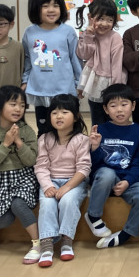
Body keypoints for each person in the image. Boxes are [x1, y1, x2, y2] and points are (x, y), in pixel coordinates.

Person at [0, 85, 40, 264]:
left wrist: (19, 142)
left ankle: (37, 244)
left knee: (19, 204)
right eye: (13, 104)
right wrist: (5, 144)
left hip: (24, 176)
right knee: (5, 218)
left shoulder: (26, 130)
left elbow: (31, 160)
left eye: (22, 105)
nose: (18, 109)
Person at [86, 84, 139, 249]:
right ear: (105, 109)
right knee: (106, 173)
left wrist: (128, 181)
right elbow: (93, 166)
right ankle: (93, 216)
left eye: (124, 104)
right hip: (105, 179)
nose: (119, 110)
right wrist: (94, 148)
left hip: (129, 180)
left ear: (133, 106)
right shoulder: (100, 130)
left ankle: (126, 234)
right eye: (113, 105)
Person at [34, 94, 90, 267]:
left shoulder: (82, 140)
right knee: (47, 204)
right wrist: (47, 186)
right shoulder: (44, 139)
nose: (59, 116)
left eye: (65, 112)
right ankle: (46, 245)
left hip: (74, 182)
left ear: (76, 117)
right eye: (54, 113)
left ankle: (66, 241)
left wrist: (67, 187)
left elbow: (84, 168)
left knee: (68, 201)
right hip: (50, 181)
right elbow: (41, 167)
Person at [21, 0, 83, 136]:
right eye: (45, 6)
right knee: (43, 130)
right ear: (35, 8)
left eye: (55, 5)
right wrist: (25, 80)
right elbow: (28, 59)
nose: (51, 10)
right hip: (40, 90)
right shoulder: (29, 32)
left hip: (64, 90)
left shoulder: (67, 31)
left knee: (68, 130)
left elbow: (75, 59)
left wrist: (79, 83)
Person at [75, 0, 127, 128]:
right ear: (90, 17)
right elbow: (83, 55)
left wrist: (115, 89)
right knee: (97, 120)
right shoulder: (87, 34)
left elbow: (117, 65)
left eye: (110, 20)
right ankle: (97, 139)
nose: (105, 23)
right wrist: (89, 36)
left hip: (110, 82)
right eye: (101, 18)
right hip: (94, 82)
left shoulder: (115, 37)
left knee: (113, 119)